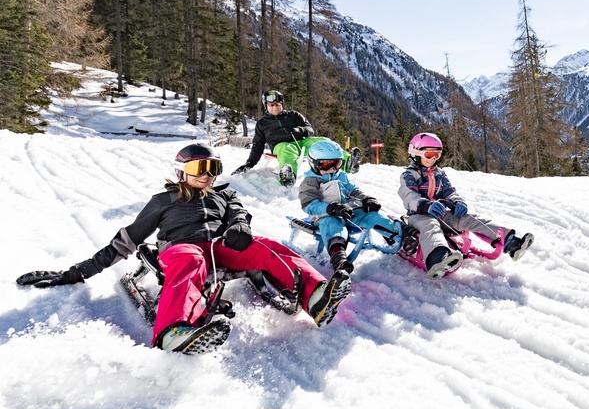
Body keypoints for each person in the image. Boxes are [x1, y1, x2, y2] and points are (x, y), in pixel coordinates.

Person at [16, 143, 352, 355]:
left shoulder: (223, 195)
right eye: (198, 169)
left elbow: (238, 211)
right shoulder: (163, 201)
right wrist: (74, 272)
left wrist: (240, 226)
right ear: (181, 173)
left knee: (266, 245)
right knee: (191, 259)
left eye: (213, 169)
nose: (207, 175)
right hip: (181, 248)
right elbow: (125, 240)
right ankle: (174, 330)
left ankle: (315, 296)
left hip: (222, 247)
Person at [398, 132, 534, 279]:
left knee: (467, 219)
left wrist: (457, 202)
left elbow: (450, 192)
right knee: (430, 225)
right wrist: (424, 205)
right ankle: (438, 257)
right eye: (429, 154)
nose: (433, 159)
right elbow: (409, 196)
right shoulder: (409, 175)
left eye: (437, 155)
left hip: (442, 215)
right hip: (418, 216)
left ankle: (511, 242)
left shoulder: (440, 174)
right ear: (416, 153)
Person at [299, 139, 402, 273]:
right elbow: (309, 205)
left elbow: (353, 191)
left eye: (337, 164)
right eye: (326, 165)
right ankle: (338, 257)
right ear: (314, 163)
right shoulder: (310, 181)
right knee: (332, 226)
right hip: (325, 216)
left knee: (371, 215)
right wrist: (331, 208)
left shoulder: (340, 175)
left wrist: (365, 199)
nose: (332, 169)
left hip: (347, 212)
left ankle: (396, 235)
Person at [232, 89, 343, 187]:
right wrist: (249, 164)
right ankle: (288, 175)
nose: (275, 107)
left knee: (324, 142)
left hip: (301, 142)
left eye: (277, 104)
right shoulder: (262, 124)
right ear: (266, 105)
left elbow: (309, 129)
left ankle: (348, 162)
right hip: (281, 146)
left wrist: (300, 130)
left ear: (282, 104)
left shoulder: (294, 115)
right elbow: (257, 145)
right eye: (271, 105)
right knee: (287, 151)